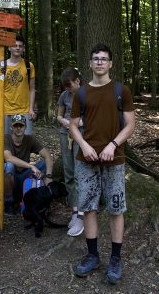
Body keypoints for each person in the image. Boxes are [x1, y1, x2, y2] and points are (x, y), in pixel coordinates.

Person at [68, 43, 135, 285]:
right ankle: (93, 255)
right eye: (95, 58)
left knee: (116, 208)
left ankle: (116, 258)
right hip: (86, 160)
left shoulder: (121, 91)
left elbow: (130, 124)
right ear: (89, 63)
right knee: (88, 207)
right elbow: (74, 125)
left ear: (110, 63)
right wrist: (84, 146)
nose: (99, 62)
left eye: (103, 59)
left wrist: (113, 145)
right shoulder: (82, 93)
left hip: (114, 159)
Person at [3, 115, 54, 212]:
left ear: (25, 127)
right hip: (10, 178)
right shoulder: (6, 138)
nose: (18, 128)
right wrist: (31, 166)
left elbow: (47, 155)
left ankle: (35, 197)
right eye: (15, 125)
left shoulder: (29, 139)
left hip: (24, 177)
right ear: (11, 127)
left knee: (43, 164)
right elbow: (8, 158)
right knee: (8, 166)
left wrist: (49, 176)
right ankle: (8, 202)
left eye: (21, 125)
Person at [55, 67, 84, 237]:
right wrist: (65, 122)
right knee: (69, 172)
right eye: (65, 86)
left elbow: (92, 115)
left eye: (70, 85)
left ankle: (81, 213)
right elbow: (58, 115)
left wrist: (77, 123)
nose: (68, 89)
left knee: (81, 172)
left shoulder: (86, 94)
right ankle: (74, 211)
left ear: (78, 81)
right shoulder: (64, 96)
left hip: (81, 136)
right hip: (65, 135)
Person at [0, 34, 36, 134]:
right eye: (15, 45)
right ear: (9, 48)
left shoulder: (29, 66)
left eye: (20, 46)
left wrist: (31, 109)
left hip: (24, 111)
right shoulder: (1, 67)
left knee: (26, 141)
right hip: (6, 111)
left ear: (23, 49)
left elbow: (32, 89)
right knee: (7, 143)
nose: (17, 48)